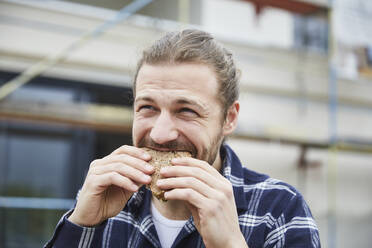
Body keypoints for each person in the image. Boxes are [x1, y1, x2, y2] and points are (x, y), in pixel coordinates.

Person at [45, 29, 320, 248]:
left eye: (186, 110)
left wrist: (230, 245)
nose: (160, 134)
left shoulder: (280, 210)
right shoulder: (103, 198)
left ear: (229, 119)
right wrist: (80, 225)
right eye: (147, 107)